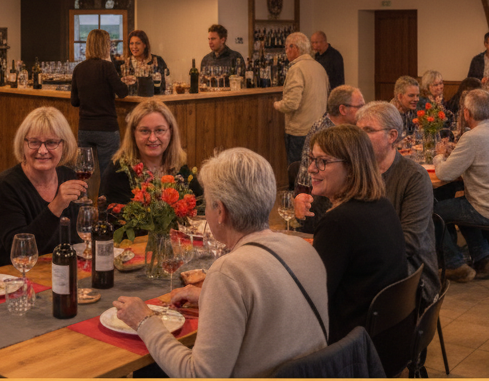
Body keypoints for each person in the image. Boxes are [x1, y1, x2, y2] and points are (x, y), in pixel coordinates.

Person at [110, 148, 326, 377]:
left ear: (220, 211)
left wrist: (144, 321)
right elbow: (268, 305)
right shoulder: (306, 250)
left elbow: (200, 375)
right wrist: (207, 296)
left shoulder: (228, 272)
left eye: (207, 204)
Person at [301, 125, 410, 342]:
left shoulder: (339, 222)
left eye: (322, 161)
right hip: (391, 334)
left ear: (351, 168)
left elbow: (314, 297)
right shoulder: (382, 205)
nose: (311, 169)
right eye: (311, 159)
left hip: (353, 344)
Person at [0, 107, 87, 267]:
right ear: (23, 144)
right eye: (34, 142)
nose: (42, 150)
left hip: (56, 269)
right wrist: (56, 206)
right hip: (9, 274)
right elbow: (19, 251)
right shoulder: (6, 185)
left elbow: (75, 239)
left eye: (51, 142)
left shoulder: (69, 177)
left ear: (64, 145)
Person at [433, 89, 489, 282]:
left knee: (433, 212)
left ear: (466, 113)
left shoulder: (472, 137)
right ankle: (483, 258)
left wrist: (439, 156)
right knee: (463, 204)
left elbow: (444, 173)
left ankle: (454, 264)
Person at [355, 102, 438, 287]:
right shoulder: (356, 172)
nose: (359, 137)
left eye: (368, 130)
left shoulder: (414, 177)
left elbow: (408, 242)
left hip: (411, 273)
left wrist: (358, 258)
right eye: (358, 130)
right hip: (369, 263)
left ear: (392, 136)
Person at [104, 99, 205, 207]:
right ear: (133, 133)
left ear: (171, 132)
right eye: (144, 131)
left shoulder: (180, 168)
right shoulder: (119, 170)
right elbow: (109, 213)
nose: (152, 138)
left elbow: (201, 206)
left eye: (160, 130)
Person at [71, 29, 129, 174]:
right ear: (105, 46)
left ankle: (83, 191)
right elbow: (123, 92)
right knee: (107, 173)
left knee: (84, 172)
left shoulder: (78, 68)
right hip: (106, 128)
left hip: (85, 128)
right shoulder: (107, 66)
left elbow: (74, 101)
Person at [275, 32, 329, 165]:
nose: (286, 52)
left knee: (297, 170)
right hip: (319, 129)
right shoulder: (319, 67)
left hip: (300, 131)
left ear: (294, 48)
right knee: (317, 169)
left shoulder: (296, 69)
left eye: (287, 47)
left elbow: (291, 104)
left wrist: (277, 105)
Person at [120, 30, 170, 97]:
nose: (134, 47)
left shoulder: (158, 61)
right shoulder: (124, 64)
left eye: (138, 43)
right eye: (131, 43)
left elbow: (166, 85)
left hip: (155, 101)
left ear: (144, 45)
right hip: (131, 102)